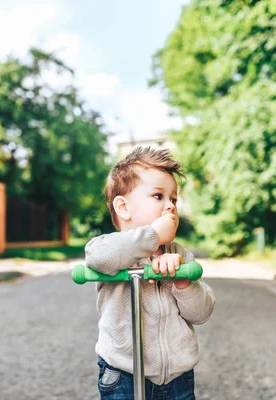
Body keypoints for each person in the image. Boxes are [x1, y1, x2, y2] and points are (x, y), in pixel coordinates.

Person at [85, 146, 216, 400]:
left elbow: (202, 313)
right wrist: (153, 236)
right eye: (158, 196)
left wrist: (182, 281)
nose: (170, 207)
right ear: (123, 207)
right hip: (123, 375)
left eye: (174, 199)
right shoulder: (111, 247)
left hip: (178, 377)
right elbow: (98, 257)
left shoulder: (179, 256)